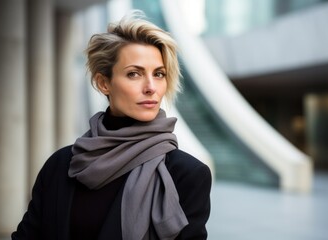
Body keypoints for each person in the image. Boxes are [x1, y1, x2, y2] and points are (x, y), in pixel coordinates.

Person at [12, 10, 212, 240]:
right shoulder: (60, 165)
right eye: (134, 74)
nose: (151, 87)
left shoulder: (187, 174)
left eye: (159, 74)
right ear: (103, 83)